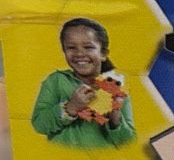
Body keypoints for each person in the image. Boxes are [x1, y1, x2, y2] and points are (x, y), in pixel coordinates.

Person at [31, 18, 135, 150]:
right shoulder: (55, 81)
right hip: (63, 158)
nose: (79, 53)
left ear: (103, 54)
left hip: (103, 158)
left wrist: (115, 118)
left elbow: (128, 141)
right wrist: (70, 107)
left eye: (88, 47)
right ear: (64, 51)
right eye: (71, 48)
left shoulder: (117, 88)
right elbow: (39, 125)